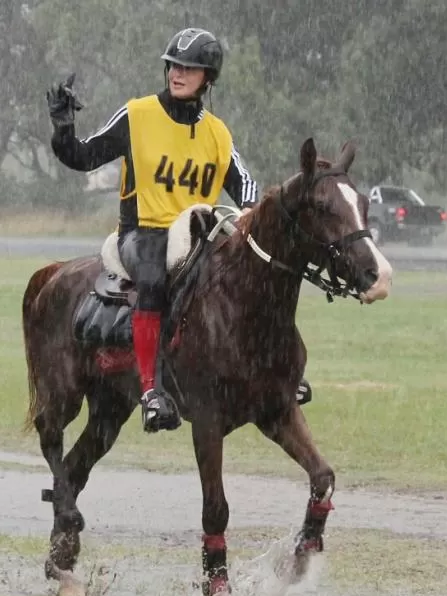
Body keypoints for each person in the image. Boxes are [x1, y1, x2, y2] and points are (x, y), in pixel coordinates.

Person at [46, 27, 312, 433]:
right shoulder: (137, 114)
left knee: (257, 275)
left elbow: (246, 185)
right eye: (173, 65)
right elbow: (83, 156)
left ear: (208, 79)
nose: (178, 73)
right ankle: (152, 391)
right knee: (152, 281)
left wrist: (251, 214)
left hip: (202, 231)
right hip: (144, 232)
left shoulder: (217, 132)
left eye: (189, 68)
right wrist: (63, 128)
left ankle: (278, 372)